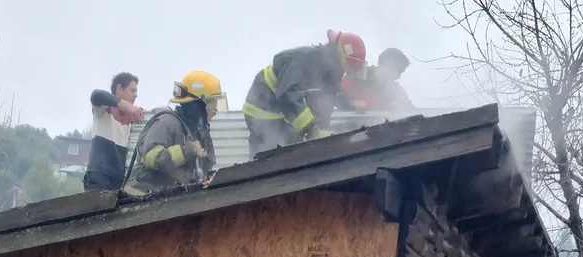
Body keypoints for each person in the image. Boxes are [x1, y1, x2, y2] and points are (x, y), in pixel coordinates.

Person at [242, 30, 367, 158]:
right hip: (261, 110)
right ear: (342, 57)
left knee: (295, 149)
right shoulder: (302, 60)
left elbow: (330, 93)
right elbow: (287, 96)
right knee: (277, 154)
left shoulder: (329, 67)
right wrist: (310, 129)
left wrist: (350, 102)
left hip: (279, 109)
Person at [124, 71, 225, 197]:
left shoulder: (199, 133)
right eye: (212, 103)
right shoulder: (167, 122)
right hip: (138, 201)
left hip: (165, 202)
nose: (215, 110)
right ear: (197, 105)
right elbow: (151, 157)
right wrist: (186, 151)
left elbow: (196, 174)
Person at [84, 72, 144, 191]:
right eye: (132, 91)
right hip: (99, 175)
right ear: (119, 88)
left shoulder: (132, 118)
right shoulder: (103, 110)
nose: (136, 95)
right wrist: (127, 106)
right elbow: (96, 95)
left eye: (136, 91)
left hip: (119, 181)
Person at [338, 47, 412, 113]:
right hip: (350, 127)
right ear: (386, 63)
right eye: (398, 70)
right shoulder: (356, 76)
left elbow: (413, 111)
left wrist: (402, 107)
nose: (398, 76)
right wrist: (352, 102)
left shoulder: (395, 89)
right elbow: (336, 94)